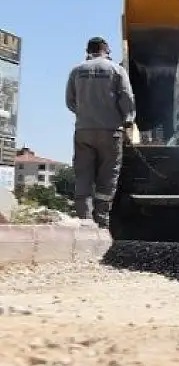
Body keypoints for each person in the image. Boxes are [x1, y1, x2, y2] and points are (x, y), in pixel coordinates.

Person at [65, 36, 136, 228]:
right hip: (110, 131)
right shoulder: (116, 70)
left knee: (83, 175)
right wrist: (128, 121)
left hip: (83, 131)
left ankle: (84, 220)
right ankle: (102, 219)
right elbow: (127, 98)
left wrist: (85, 113)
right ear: (106, 50)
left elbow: (70, 101)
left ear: (87, 50)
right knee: (108, 175)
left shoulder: (77, 70)